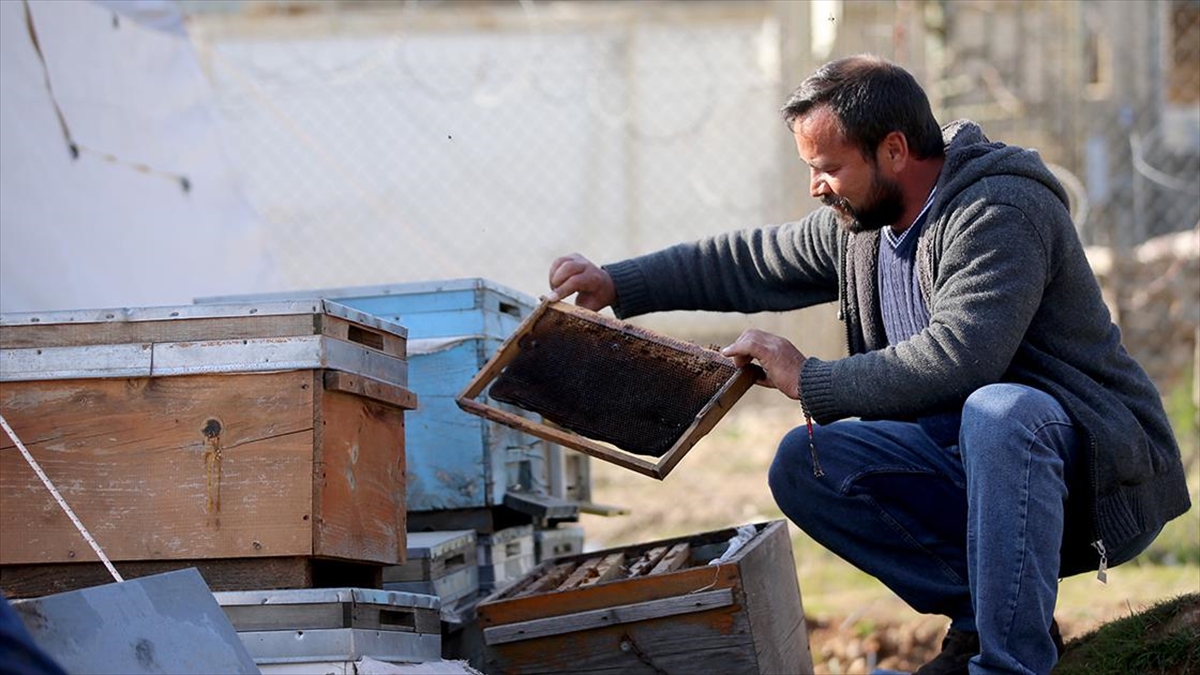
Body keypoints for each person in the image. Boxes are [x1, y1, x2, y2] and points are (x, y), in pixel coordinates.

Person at [545, 54, 1191, 675]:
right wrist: (618, 282)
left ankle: (1009, 665)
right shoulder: (863, 226)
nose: (815, 187)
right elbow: (752, 260)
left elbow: (960, 358)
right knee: (804, 461)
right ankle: (983, 620)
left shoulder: (998, 211)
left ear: (894, 150)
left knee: (1000, 412)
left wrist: (809, 378)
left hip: (1091, 479)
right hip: (973, 475)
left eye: (828, 167)